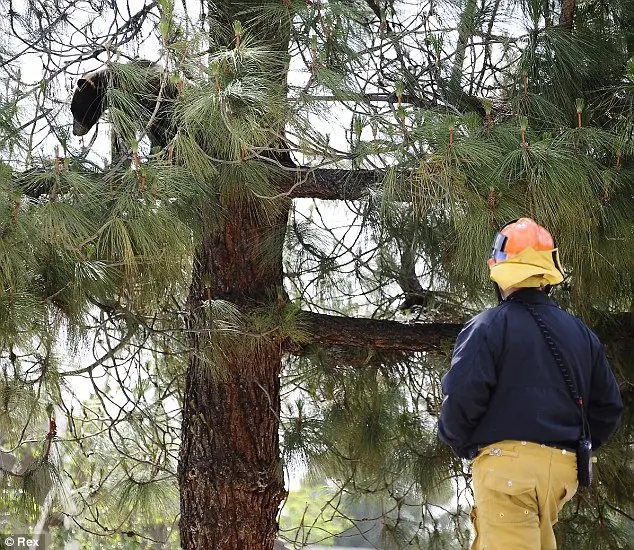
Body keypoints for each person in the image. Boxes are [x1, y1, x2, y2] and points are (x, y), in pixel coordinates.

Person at [437, 218, 623, 550]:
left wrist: (462, 443)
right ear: (547, 274)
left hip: (507, 473)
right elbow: (608, 409)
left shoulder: (487, 327)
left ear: (499, 271)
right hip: (561, 475)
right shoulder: (582, 334)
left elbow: (462, 397)